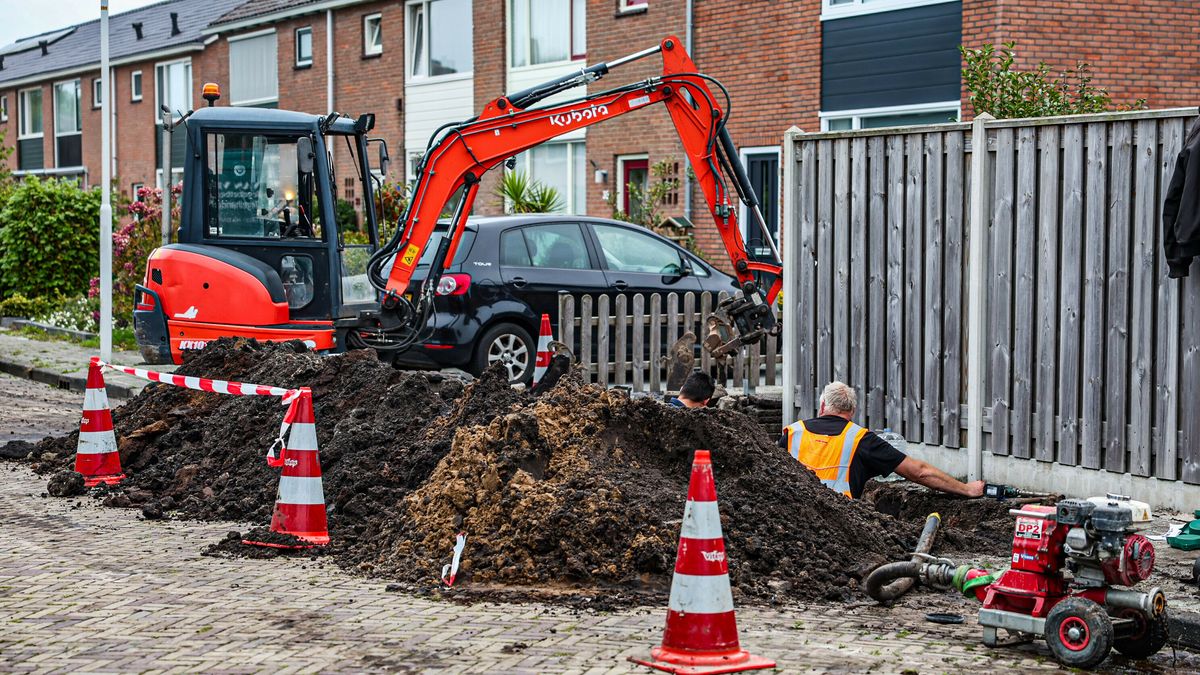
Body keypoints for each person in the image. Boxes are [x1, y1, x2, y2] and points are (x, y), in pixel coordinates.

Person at [780, 381, 985, 499]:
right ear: (852, 411)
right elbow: (919, 472)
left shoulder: (791, 433)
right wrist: (967, 489)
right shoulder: (861, 439)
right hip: (837, 527)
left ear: (822, 405)